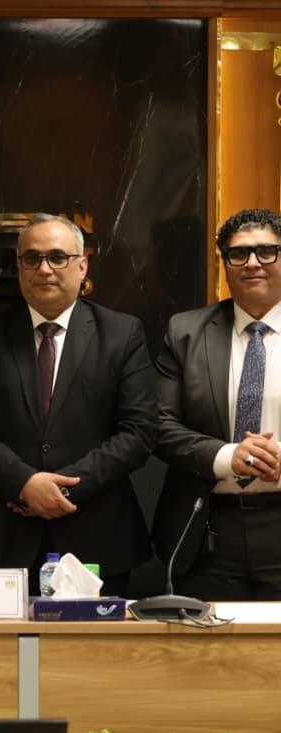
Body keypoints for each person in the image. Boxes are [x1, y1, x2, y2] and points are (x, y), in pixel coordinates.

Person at [0, 213, 157, 594]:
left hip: (96, 535)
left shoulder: (121, 334)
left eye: (58, 257)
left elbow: (139, 432)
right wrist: (23, 483)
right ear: (19, 267)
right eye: (32, 258)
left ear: (82, 266)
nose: (44, 269)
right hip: (1, 539)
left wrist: (62, 490)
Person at [153, 208, 281, 599]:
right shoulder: (186, 332)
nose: (252, 263)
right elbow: (159, 425)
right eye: (238, 253)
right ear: (225, 263)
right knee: (207, 638)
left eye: (266, 251)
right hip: (208, 530)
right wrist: (228, 456)